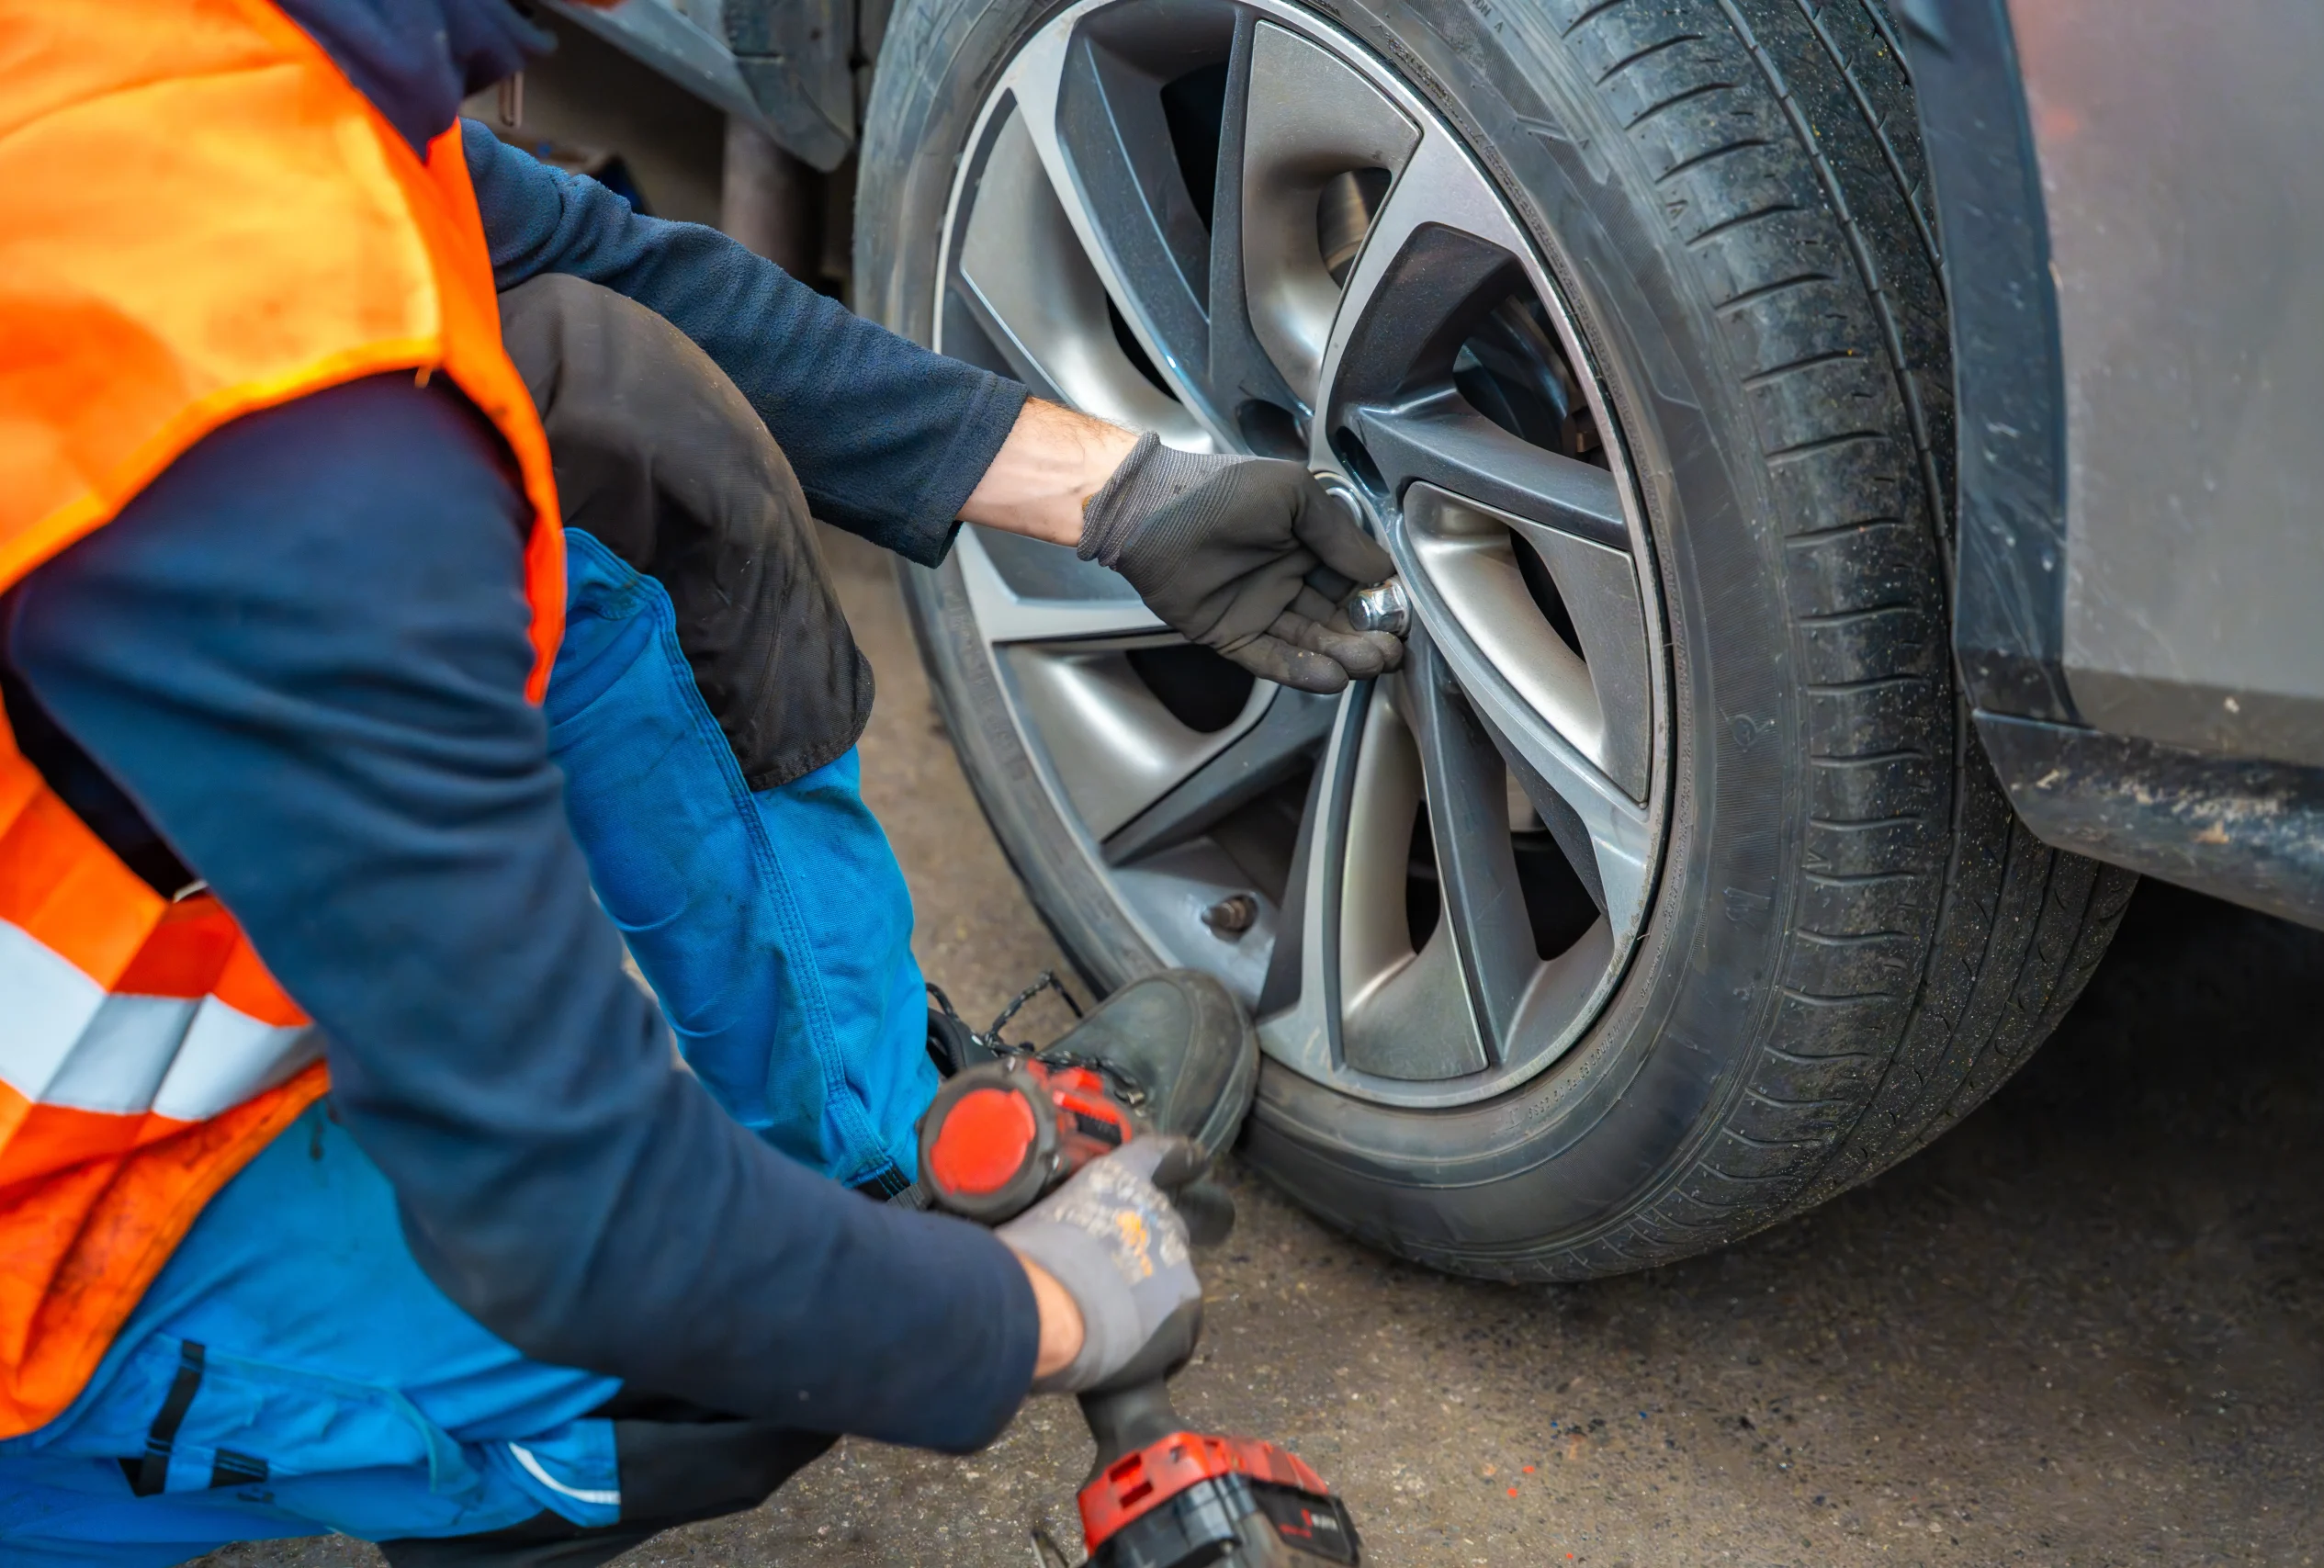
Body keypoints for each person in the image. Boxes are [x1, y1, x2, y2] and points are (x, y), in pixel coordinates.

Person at [0, 2, 1401, 1563]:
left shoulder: (162, 74)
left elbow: (593, 260)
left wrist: (1126, 496)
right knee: (732, 1347)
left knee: (595, 407)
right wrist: (1047, 1311)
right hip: (37, 1255)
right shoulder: (292, 452)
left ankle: (879, 1145)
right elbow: (579, 1215)